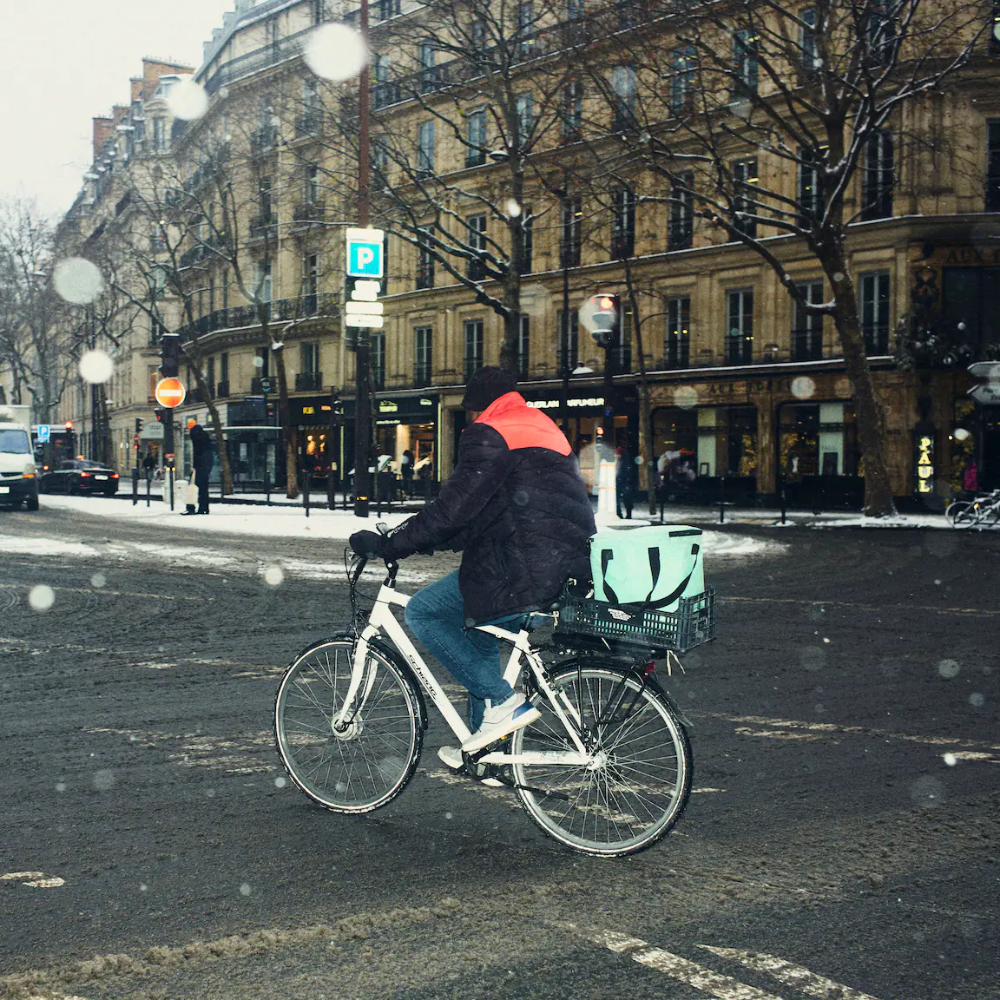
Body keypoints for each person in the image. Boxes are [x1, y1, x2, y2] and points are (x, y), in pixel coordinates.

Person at [350, 366, 595, 777]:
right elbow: (486, 515)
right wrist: (423, 539)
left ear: (476, 406)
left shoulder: (490, 432)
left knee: (425, 611)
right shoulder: (540, 424)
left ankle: (502, 704)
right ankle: (489, 756)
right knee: (476, 624)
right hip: (566, 564)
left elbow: (452, 510)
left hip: (524, 568)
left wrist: (391, 545)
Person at [183, 417, 213, 515]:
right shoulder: (204, 434)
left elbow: (197, 452)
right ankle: (204, 508)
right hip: (207, 464)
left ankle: (193, 507)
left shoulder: (194, 435)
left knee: (195, 486)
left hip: (200, 465)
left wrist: (194, 466)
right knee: (204, 487)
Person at [615, 445, 636, 519]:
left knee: (623, 499)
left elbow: (625, 472)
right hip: (624, 482)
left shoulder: (623, 462)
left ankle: (621, 514)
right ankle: (627, 514)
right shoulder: (625, 461)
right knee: (626, 499)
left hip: (623, 482)